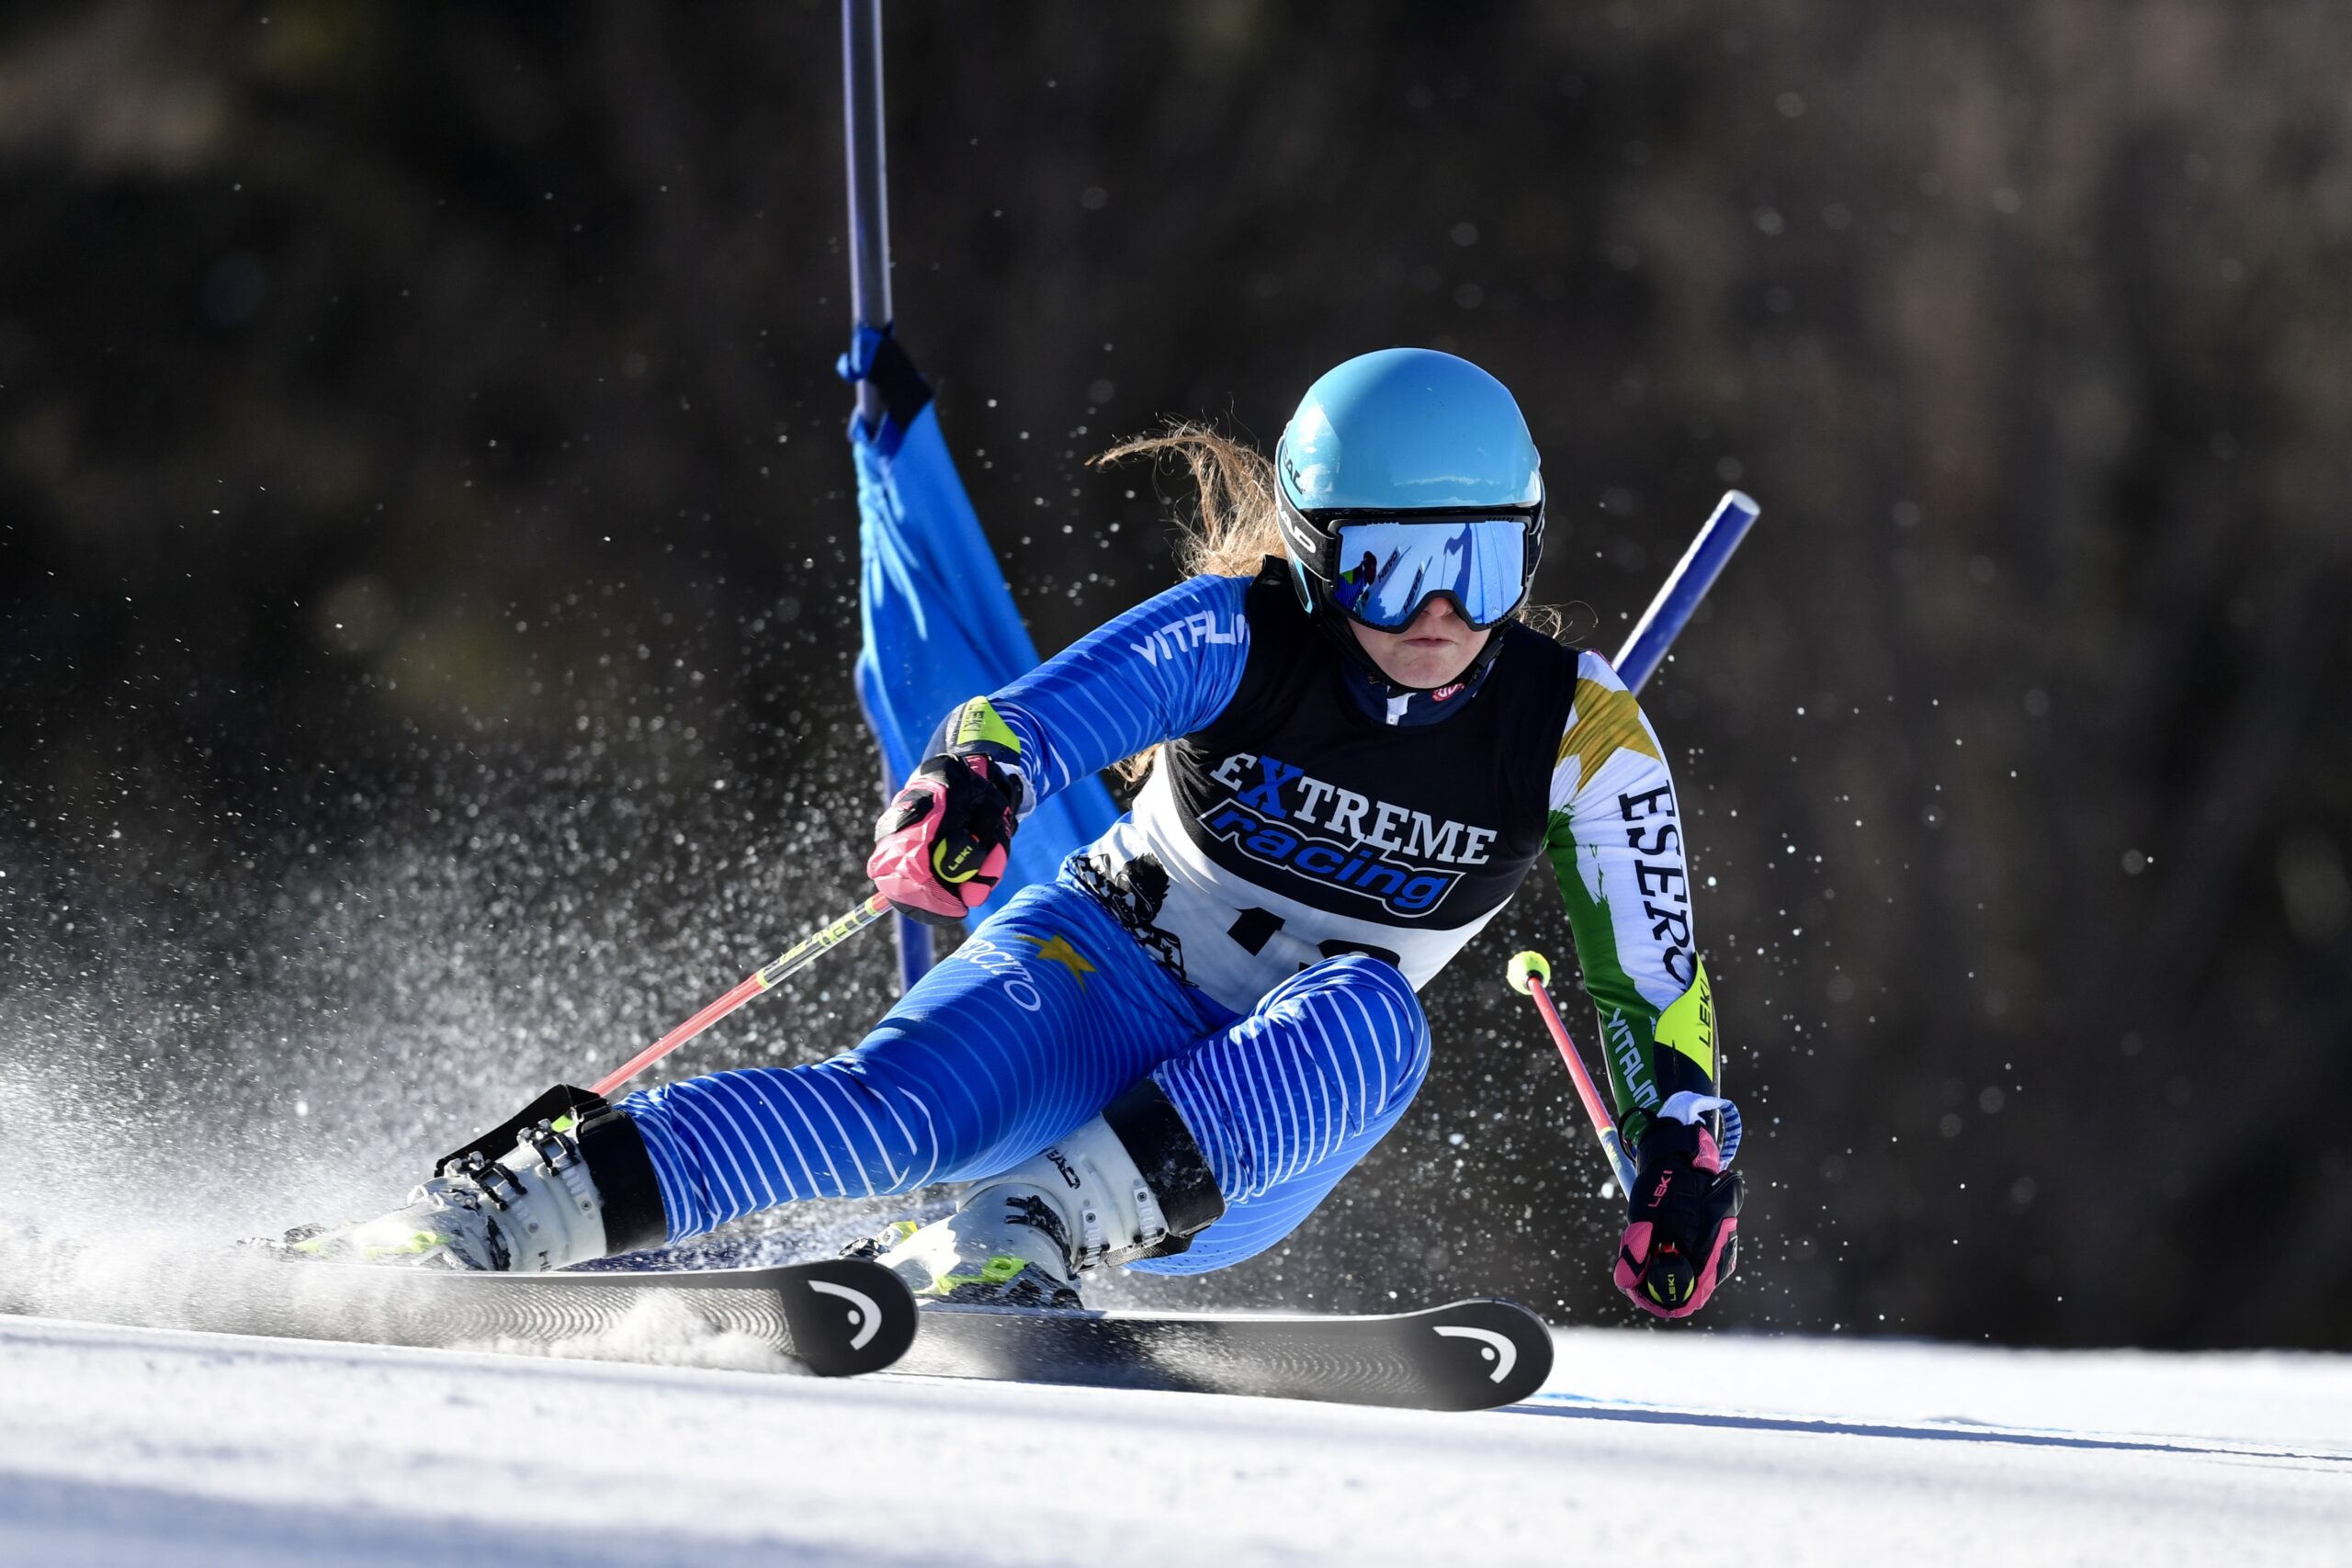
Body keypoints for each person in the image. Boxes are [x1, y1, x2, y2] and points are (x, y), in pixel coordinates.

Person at [310, 348, 1746, 1320]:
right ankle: (514, 1210)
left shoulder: (1582, 734)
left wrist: (1682, 1145)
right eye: (1392, 564)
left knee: (1378, 1015)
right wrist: (974, 792)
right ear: (1315, 553)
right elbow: (1026, 722)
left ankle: (1023, 1234)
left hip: (1259, 1133)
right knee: (890, 1113)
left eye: (1479, 565)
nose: (1438, 614)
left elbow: (1652, 988)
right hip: (1098, 969)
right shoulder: (1239, 633)